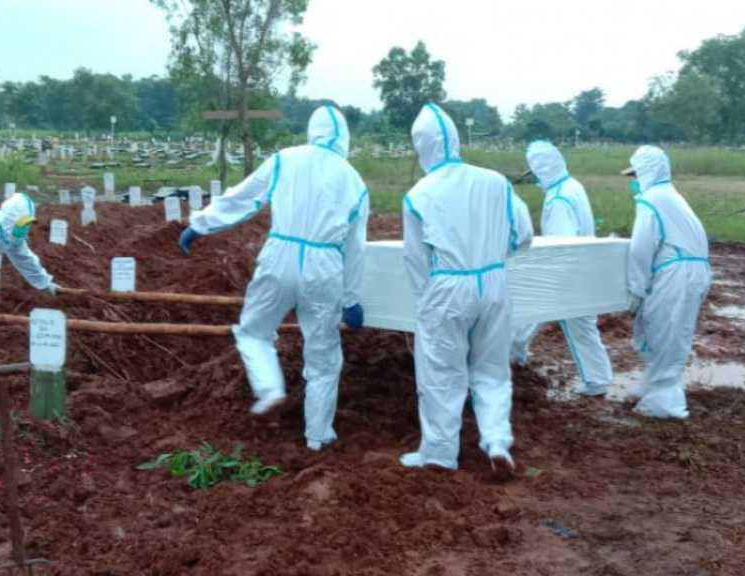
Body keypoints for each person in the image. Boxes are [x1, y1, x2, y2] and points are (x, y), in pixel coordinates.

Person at [177, 105, 369, 452]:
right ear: (344, 138)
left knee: (253, 332)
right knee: (323, 355)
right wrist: (351, 299)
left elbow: (245, 197)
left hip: (280, 254)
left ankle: (269, 390)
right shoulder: (353, 179)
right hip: (324, 267)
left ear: (312, 130)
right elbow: (356, 247)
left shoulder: (286, 159)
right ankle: (317, 436)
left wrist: (200, 223)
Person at [400, 103, 533, 472]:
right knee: (492, 370)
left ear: (421, 146)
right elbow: (523, 235)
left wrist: (424, 303)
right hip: (493, 282)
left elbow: (415, 259)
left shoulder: (420, 193)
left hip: (447, 287)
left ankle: (440, 454)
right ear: (456, 139)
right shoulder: (495, 181)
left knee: (442, 373)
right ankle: (496, 442)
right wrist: (490, 254)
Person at [510, 141, 613, 396]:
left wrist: (547, 278)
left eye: (534, 173)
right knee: (577, 325)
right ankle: (515, 358)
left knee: (529, 315)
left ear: (542, 171)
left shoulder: (557, 199)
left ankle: (596, 381)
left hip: (567, 273)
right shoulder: (573, 186)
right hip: (584, 266)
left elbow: (560, 244)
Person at [623, 145, 711, 419]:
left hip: (677, 274)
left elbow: (641, 248)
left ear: (646, 172)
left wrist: (636, 288)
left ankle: (665, 403)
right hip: (689, 271)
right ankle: (654, 387)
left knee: (666, 333)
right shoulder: (670, 196)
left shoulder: (652, 199)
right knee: (660, 329)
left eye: (635, 175)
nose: (633, 182)